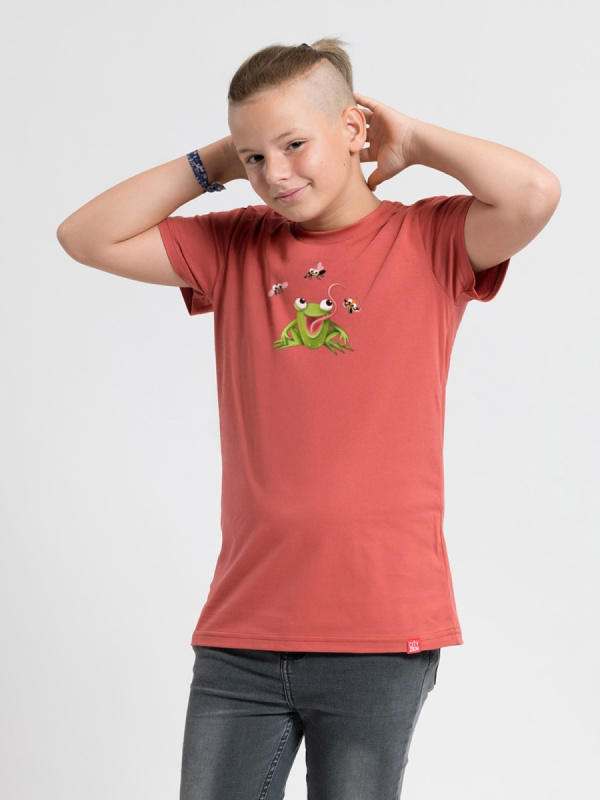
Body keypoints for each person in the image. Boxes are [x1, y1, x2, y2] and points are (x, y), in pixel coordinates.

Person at [56, 37, 560, 800]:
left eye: (294, 144)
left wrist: (417, 140)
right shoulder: (235, 247)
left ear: (354, 128)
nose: (275, 174)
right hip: (243, 632)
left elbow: (534, 193)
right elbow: (84, 236)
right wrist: (213, 162)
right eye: (255, 158)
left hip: (380, 633)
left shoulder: (429, 239)